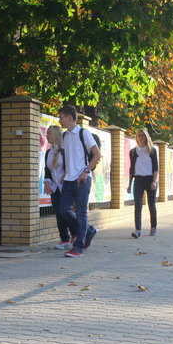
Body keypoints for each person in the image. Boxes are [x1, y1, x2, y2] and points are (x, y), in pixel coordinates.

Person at [57, 105, 101, 258]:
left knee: (81, 213)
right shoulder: (64, 136)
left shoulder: (84, 133)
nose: (59, 120)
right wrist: (64, 173)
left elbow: (97, 155)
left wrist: (86, 171)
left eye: (61, 117)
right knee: (63, 211)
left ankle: (78, 248)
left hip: (82, 180)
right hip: (69, 180)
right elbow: (69, 158)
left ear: (69, 117)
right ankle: (88, 231)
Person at [43, 125, 73, 249]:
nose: (46, 136)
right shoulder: (48, 152)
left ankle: (82, 231)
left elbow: (71, 165)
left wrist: (66, 174)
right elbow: (47, 171)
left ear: (55, 135)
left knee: (65, 212)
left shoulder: (65, 150)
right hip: (55, 188)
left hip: (66, 187)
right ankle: (64, 239)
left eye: (49, 133)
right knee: (58, 214)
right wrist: (46, 183)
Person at [128, 129, 158, 238]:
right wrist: (129, 184)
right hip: (138, 181)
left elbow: (156, 168)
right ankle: (138, 230)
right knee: (138, 205)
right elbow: (131, 169)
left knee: (151, 204)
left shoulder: (152, 151)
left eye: (143, 136)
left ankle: (153, 227)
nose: (140, 137)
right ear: (136, 137)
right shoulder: (133, 152)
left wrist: (154, 182)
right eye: (139, 135)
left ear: (146, 137)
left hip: (150, 180)